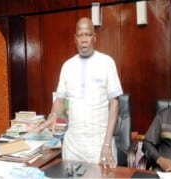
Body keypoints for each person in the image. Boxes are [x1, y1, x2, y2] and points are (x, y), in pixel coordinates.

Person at [36, 17, 123, 168]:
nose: (84, 40)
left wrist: (107, 144)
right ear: (75, 39)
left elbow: (114, 104)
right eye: (80, 35)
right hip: (73, 146)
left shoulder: (107, 62)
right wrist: (53, 115)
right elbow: (59, 101)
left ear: (94, 38)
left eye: (88, 35)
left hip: (99, 143)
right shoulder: (67, 66)